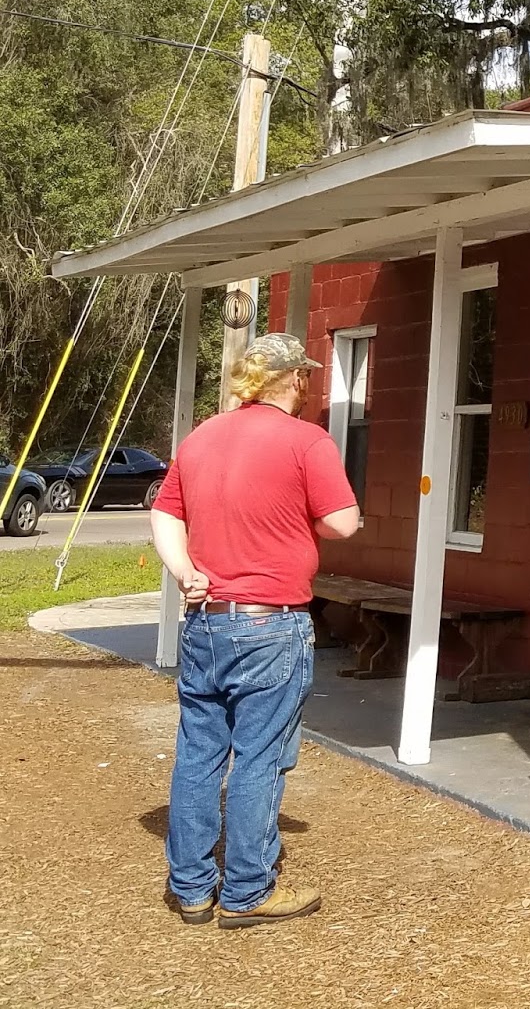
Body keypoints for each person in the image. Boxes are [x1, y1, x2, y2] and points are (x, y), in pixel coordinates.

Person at [150, 332, 360, 929]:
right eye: (307, 379)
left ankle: (191, 889)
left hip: (206, 620)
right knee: (260, 757)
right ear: (293, 380)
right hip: (273, 623)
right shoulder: (307, 442)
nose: (308, 387)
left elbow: (165, 512)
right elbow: (343, 523)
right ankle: (247, 891)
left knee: (198, 754)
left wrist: (186, 571)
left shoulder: (201, 438)